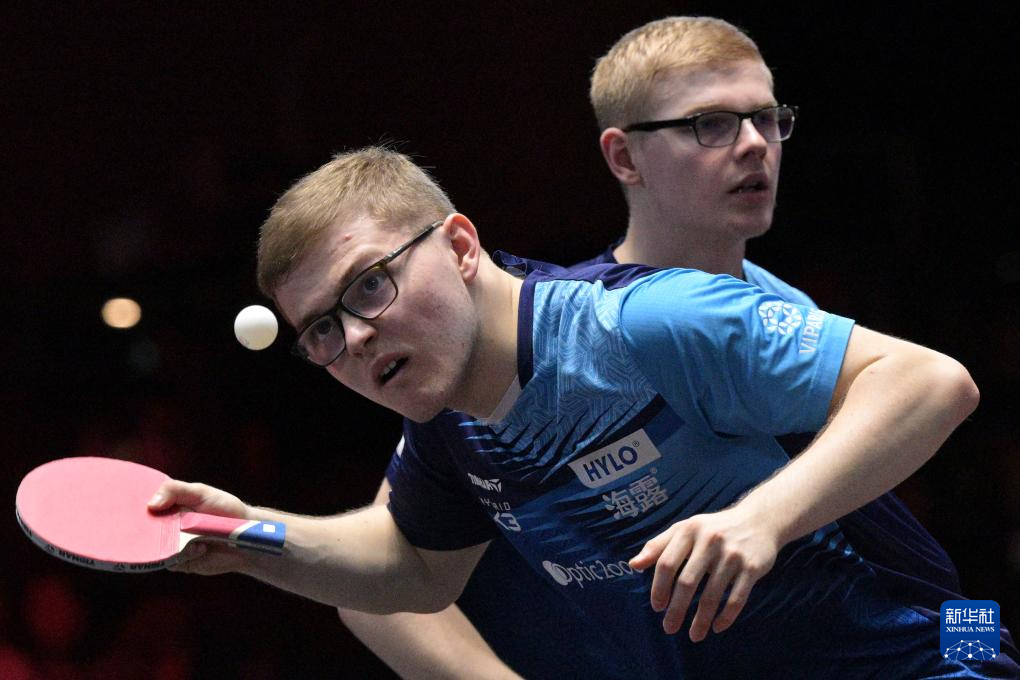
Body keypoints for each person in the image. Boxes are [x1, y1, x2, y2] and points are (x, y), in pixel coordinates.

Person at [150, 145, 1017, 678]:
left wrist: (761, 520)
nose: (355, 338)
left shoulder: (644, 321)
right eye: (322, 332)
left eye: (371, 286)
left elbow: (930, 381)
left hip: (937, 651)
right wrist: (247, 538)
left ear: (460, 246)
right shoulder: (447, 430)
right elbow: (410, 571)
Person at [334, 16, 1013, 678]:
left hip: (946, 630)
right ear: (624, 157)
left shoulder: (780, 305)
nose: (755, 145)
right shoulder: (558, 338)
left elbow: (926, 430)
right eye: (711, 124)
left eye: (767, 119)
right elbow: (379, 586)